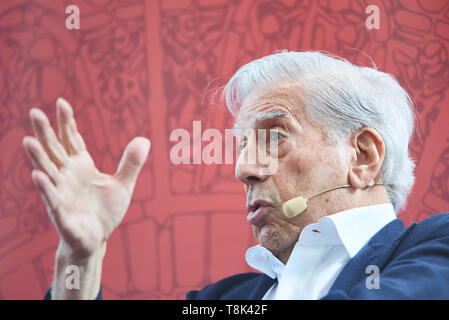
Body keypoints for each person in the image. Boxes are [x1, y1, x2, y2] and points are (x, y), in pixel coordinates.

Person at [23, 51, 449, 300]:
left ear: (362, 156)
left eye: (275, 136)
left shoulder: (437, 247)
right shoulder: (223, 300)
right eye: (242, 145)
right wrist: (81, 258)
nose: (243, 168)